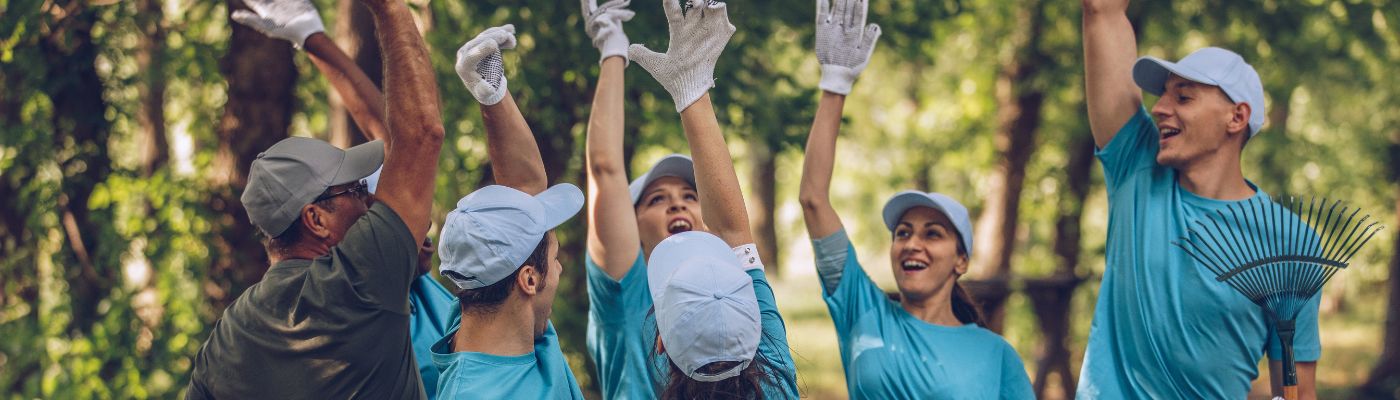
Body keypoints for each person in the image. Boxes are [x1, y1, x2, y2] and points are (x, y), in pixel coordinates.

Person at [185, 0, 444, 396]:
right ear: (316, 220)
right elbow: (418, 137)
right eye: (357, 190)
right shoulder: (357, 283)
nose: (372, 200)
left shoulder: (226, 337)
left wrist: (315, 40)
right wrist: (390, 9)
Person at [1078, 0, 1320, 398]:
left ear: (1236, 118)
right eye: (1163, 96)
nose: (1159, 108)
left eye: (1184, 97)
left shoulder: (1291, 244)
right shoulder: (1136, 166)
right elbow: (1100, 10)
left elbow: (1296, 391)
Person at [797, 0, 1034, 398]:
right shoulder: (862, 309)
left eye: (933, 233)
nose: (912, 243)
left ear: (961, 260)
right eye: (903, 232)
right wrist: (835, 85)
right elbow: (813, 199)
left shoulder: (996, 356)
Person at [625, 0, 800, 398]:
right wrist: (692, 89)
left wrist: (689, 88)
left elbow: (733, 233)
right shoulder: (774, 381)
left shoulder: (776, 369)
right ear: (758, 324)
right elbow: (733, 231)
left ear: (660, 345)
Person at [425, 25, 588, 399]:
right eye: (556, 258)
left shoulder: (482, 309)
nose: (560, 269)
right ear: (529, 280)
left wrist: (491, 90)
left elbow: (525, 191)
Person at [576, 0, 713, 398]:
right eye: (656, 200)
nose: (678, 204)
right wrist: (613, 48)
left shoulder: (726, 288)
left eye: (690, 195)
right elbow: (606, 168)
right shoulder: (627, 293)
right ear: (630, 225)